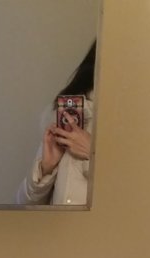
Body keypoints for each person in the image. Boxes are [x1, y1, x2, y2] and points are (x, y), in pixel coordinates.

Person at [17, 42, 96, 207]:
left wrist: (93, 153)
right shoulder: (66, 113)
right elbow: (24, 206)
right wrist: (46, 168)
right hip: (57, 224)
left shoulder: (132, 125)